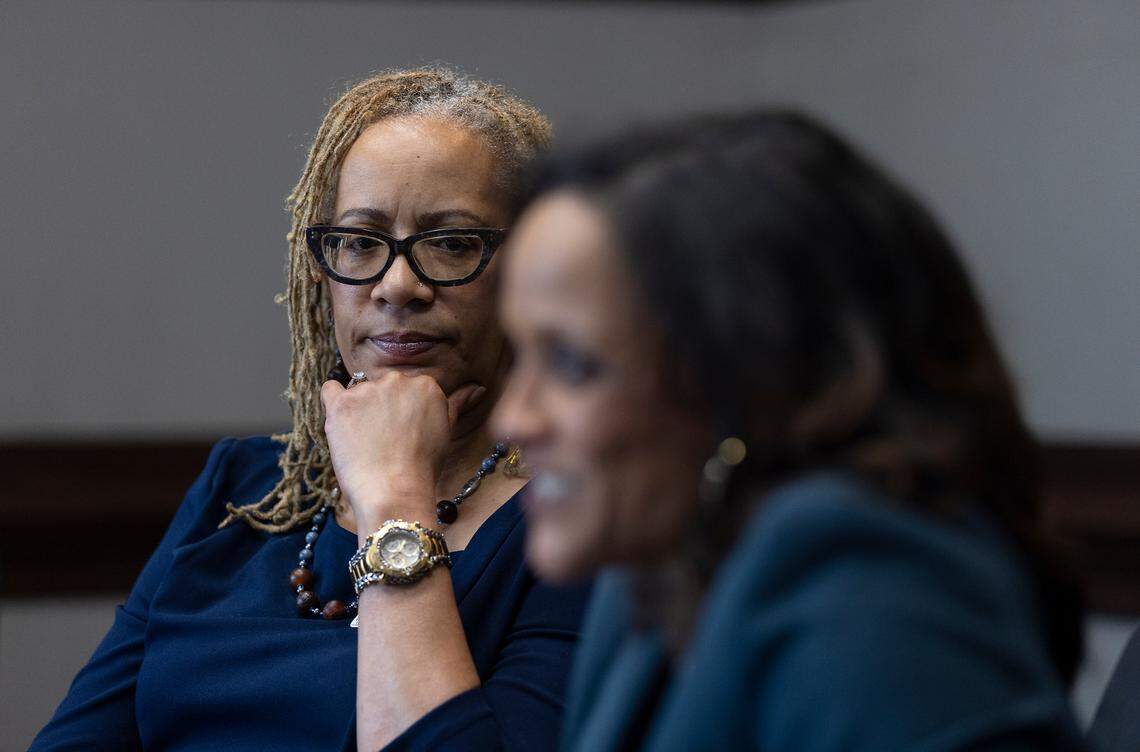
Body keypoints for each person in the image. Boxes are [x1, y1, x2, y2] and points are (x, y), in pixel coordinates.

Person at [31, 67, 590, 752]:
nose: (397, 285)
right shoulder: (245, 489)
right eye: (360, 241)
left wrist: (394, 497)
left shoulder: (574, 524)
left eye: (451, 243)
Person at [492, 111, 1087, 751]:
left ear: (750, 378)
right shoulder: (652, 572)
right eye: (518, 354)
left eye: (571, 364)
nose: (513, 418)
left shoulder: (868, 588)